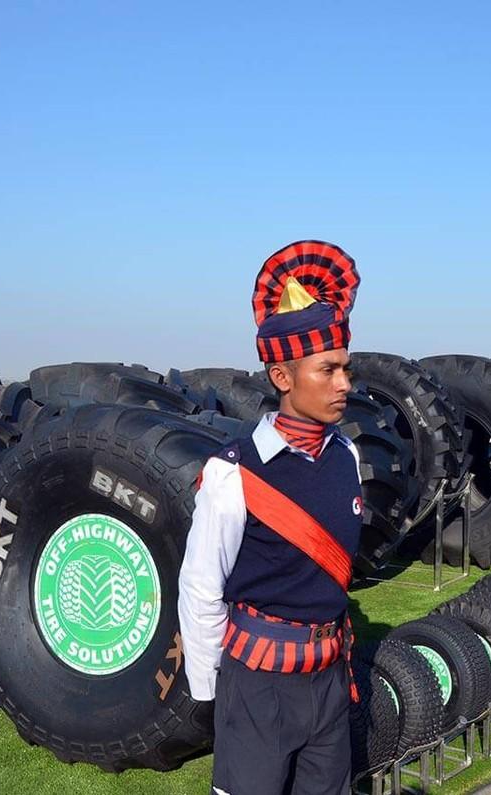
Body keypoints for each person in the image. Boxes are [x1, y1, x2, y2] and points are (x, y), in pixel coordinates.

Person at [178, 240, 363, 795]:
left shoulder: (347, 456)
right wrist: (212, 693)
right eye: (327, 369)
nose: (344, 384)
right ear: (282, 378)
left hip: (329, 677)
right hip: (257, 685)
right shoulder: (233, 474)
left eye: (345, 369)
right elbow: (202, 585)